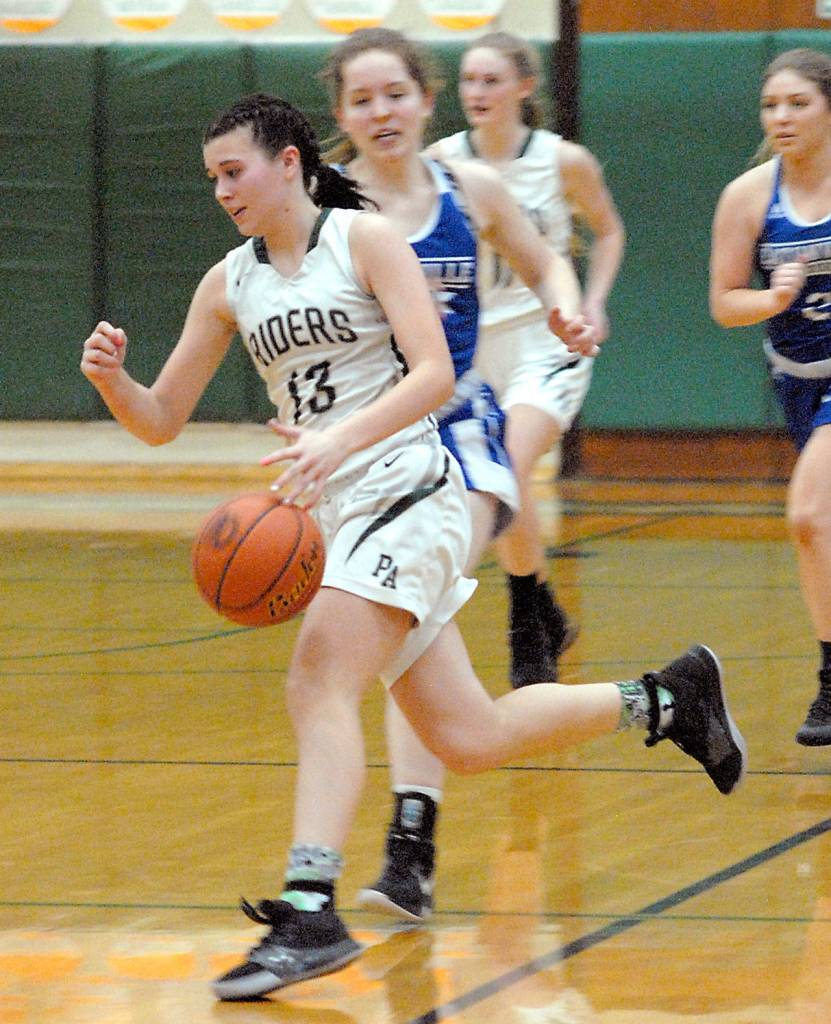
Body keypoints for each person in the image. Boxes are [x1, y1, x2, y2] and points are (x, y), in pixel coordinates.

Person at [82, 92, 746, 1004]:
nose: (222, 191)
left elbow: (434, 374)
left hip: (411, 490)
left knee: (317, 678)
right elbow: (161, 420)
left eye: (233, 171)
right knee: (468, 737)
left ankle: (311, 909)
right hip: (337, 514)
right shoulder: (227, 282)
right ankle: (668, 699)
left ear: (289, 162)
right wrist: (117, 383)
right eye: (211, 178)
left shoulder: (365, 241)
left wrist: (337, 440)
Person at [320, 27, 621, 922]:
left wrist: (565, 312)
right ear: (340, 116)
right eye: (360, 100)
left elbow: (545, 262)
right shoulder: (325, 207)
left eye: (394, 95)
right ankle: (657, 700)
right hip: (368, 453)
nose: (380, 112)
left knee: (399, 621)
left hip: (461, 438)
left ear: (425, 99)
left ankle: (408, 847)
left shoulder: (470, 187)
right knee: (420, 664)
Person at [430, 31, 625, 690]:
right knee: (493, 476)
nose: (476, 93)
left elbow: (609, 230)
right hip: (473, 346)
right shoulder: (439, 163)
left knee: (507, 462)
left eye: (489, 80)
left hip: (548, 335)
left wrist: (591, 300)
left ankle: (525, 628)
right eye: (467, 81)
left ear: (522, 87)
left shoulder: (562, 161)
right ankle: (544, 609)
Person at [710, 47, 831, 748]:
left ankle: (826, 676)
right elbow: (724, 303)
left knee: (808, 516)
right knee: (821, 529)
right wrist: (774, 297)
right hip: (794, 379)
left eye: (797, 103)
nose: (780, 117)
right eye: (769, 106)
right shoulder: (748, 196)